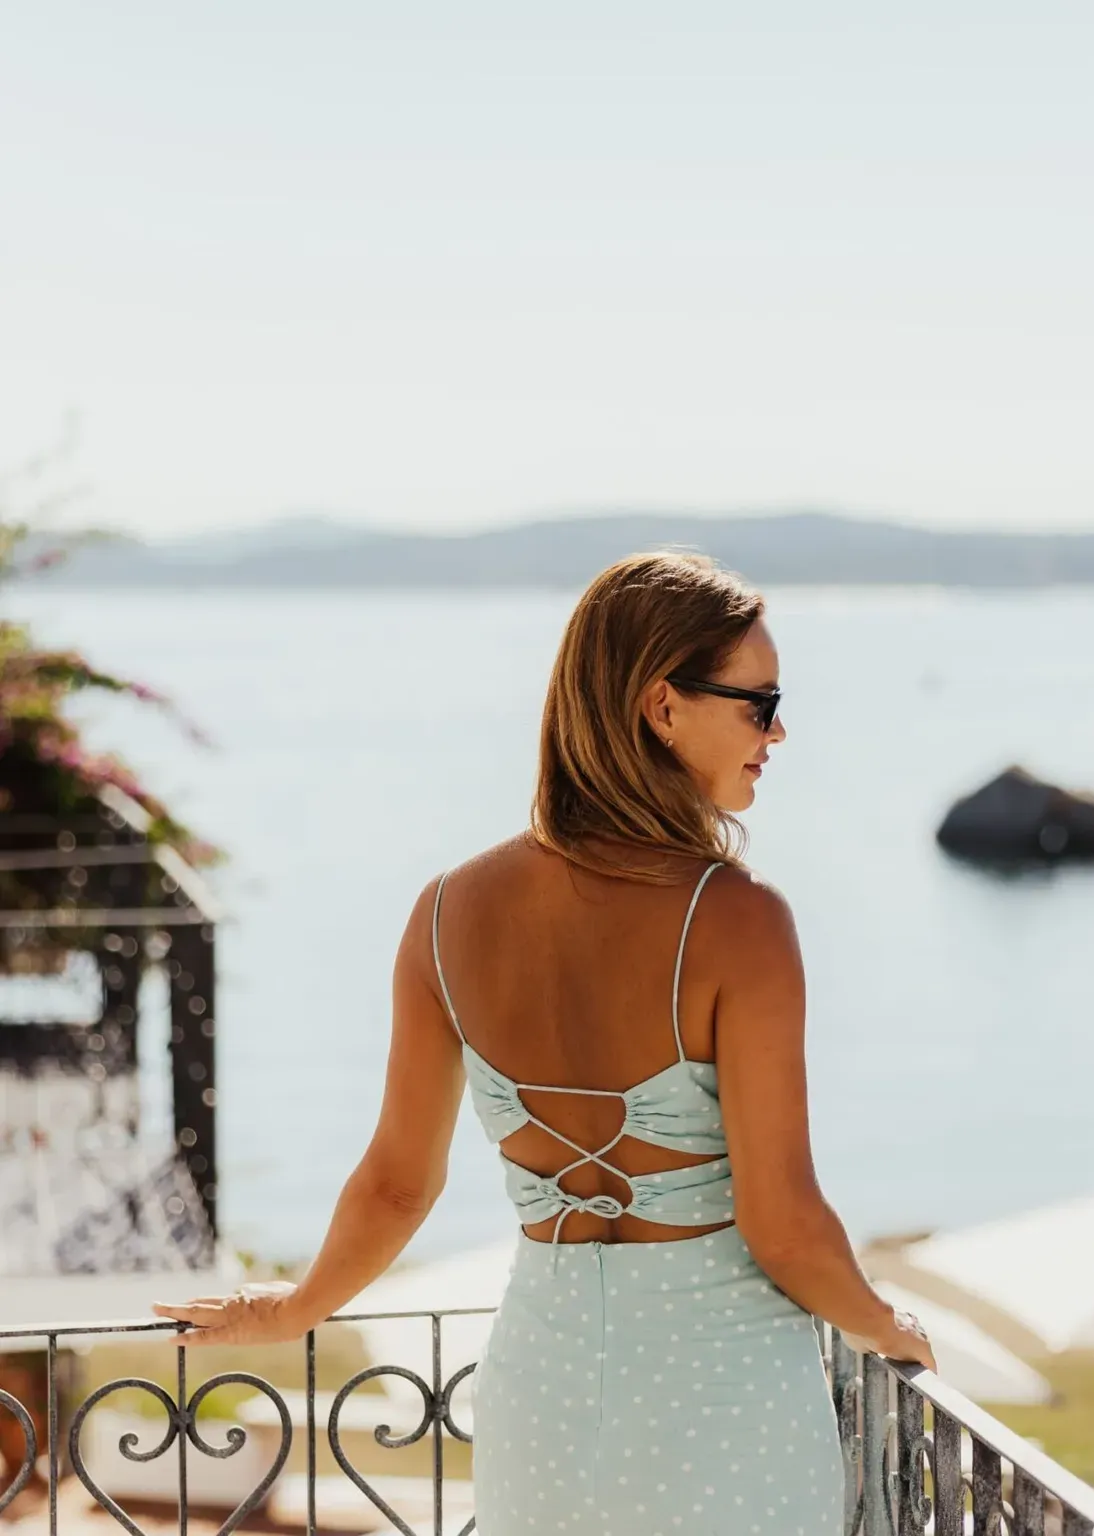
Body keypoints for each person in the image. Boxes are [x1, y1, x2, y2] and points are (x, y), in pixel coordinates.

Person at [154, 552, 933, 1534]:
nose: (778, 731)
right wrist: (891, 1327)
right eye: (759, 702)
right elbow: (784, 1226)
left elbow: (399, 1180)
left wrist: (298, 1309)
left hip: (544, 1390)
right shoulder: (738, 919)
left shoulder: (444, 913)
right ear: (662, 705)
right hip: (725, 1392)